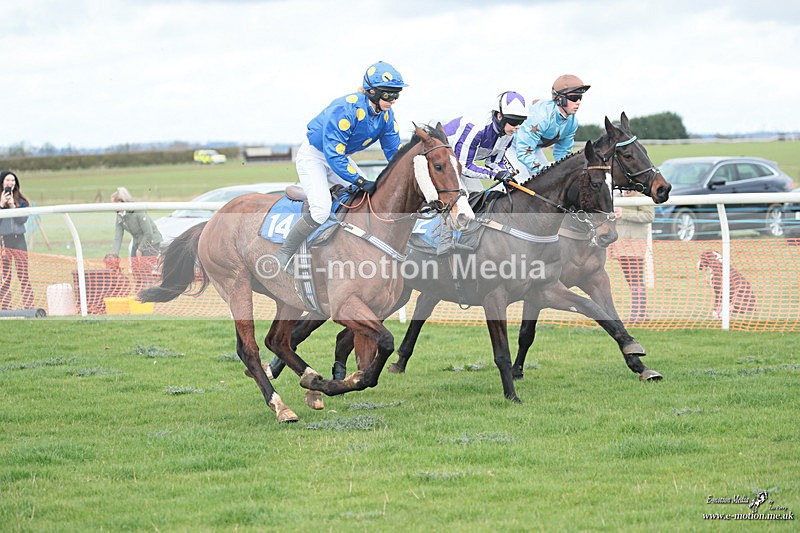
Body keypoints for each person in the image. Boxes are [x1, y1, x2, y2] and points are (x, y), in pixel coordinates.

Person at [275, 61, 408, 271]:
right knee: (320, 210)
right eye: (388, 95)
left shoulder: (386, 116)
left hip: (340, 157)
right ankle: (285, 253)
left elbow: (394, 154)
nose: (392, 100)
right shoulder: (346, 108)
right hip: (315, 156)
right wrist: (361, 181)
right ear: (372, 91)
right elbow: (333, 156)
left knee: (369, 199)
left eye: (396, 95)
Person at [436, 91, 528, 253]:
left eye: (521, 121)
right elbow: (463, 166)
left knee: (479, 196)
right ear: (499, 116)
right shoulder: (475, 129)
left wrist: (507, 176)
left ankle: (469, 236)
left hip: (456, 163)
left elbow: (494, 162)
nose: (517, 126)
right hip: (443, 161)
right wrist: (495, 175)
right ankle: (444, 240)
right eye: (514, 121)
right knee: (460, 194)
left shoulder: (507, 133)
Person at [511, 74, 590, 179]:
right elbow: (523, 151)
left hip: (534, 148)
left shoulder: (572, 122)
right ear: (560, 99)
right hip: (512, 147)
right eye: (574, 98)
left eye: (580, 97)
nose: (578, 102)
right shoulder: (541, 117)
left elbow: (562, 153)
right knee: (525, 181)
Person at [609, 190, 654, 324]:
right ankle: (642, 313)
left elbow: (649, 216)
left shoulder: (642, 198)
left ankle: (637, 313)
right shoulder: (615, 197)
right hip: (621, 246)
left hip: (635, 245)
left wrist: (624, 213)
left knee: (636, 280)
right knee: (632, 281)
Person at [110, 187, 163, 291]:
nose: (112, 207)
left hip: (151, 242)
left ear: (122, 202)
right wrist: (114, 255)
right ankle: (138, 294)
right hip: (137, 242)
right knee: (135, 270)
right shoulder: (120, 216)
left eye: (114, 203)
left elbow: (149, 233)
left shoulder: (138, 211)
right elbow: (117, 237)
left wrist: (140, 249)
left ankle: (149, 294)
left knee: (145, 270)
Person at [0, 170, 35, 309]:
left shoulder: (22, 201)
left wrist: (13, 207)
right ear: (2, 182)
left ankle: (29, 306)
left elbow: (22, 220)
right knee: (5, 277)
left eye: (13, 180)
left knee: (23, 275)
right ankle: (5, 307)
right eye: (8, 180)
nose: (10, 183)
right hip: (3, 241)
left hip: (19, 240)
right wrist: (1, 205)